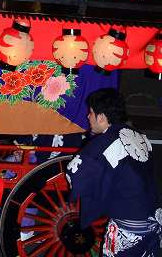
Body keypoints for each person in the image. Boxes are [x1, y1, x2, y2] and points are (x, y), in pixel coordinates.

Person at [66, 88, 162, 257]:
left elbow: (76, 176)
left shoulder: (102, 143)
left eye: (91, 112)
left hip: (130, 225)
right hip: (155, 216)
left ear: (101, 117)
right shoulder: (141, 136)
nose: (88, 117)